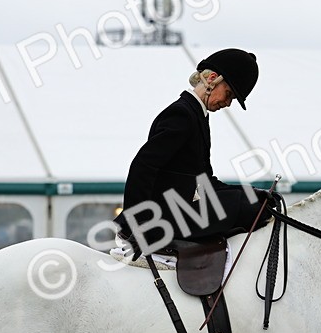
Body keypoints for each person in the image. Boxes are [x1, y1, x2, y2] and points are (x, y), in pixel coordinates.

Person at [112, 49, 270, 258]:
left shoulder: (198, 116)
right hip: (162, 216)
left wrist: (250, 193)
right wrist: (138, 221)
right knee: (242, 208)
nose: (228, 103)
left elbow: (205, 181)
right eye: (229, 94)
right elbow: (143, 166)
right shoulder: (182, 114)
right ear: (212, 79)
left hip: (179, 208)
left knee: (251, 204)